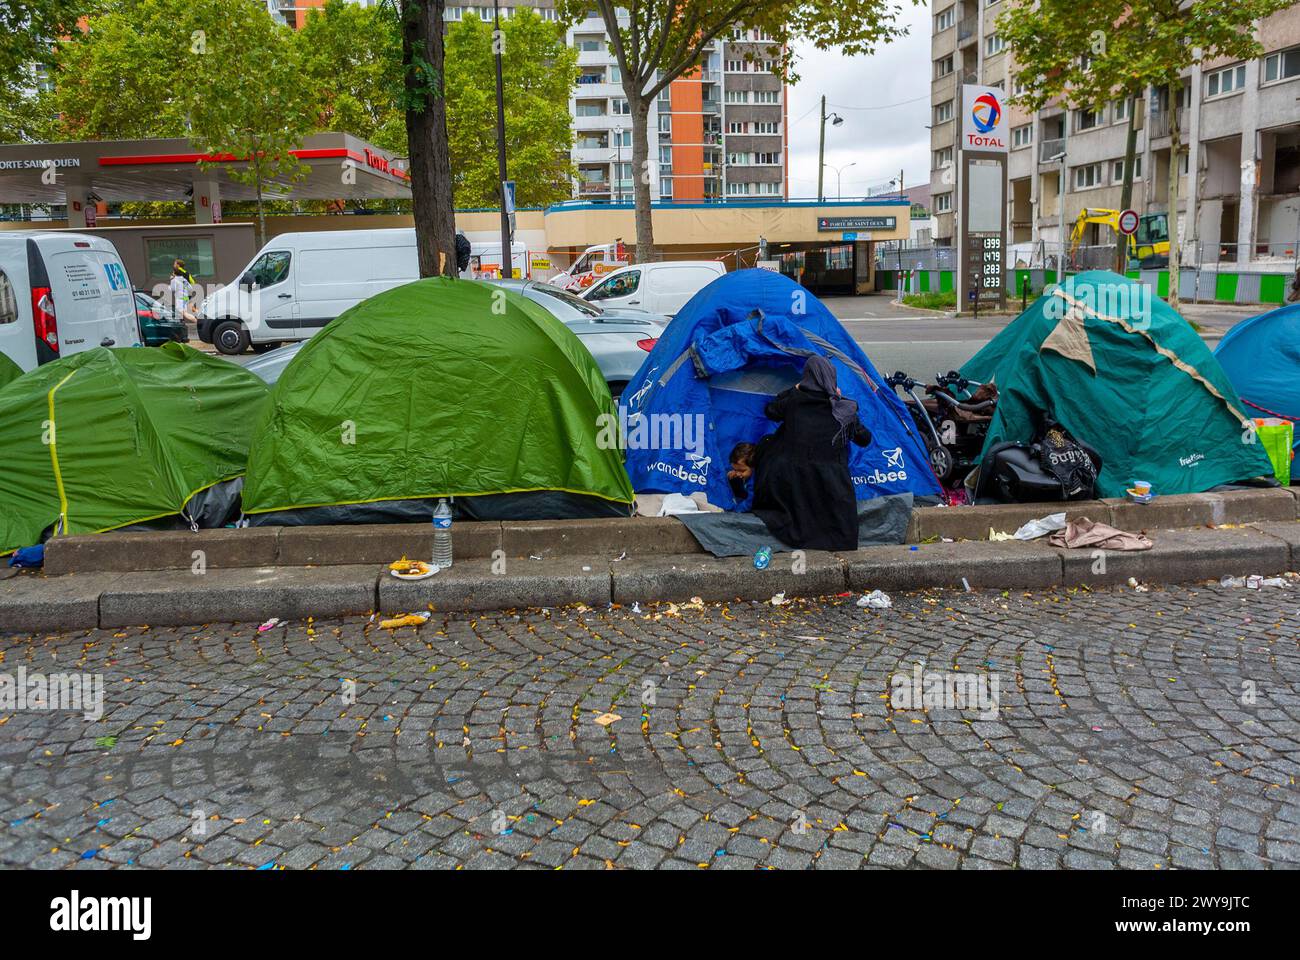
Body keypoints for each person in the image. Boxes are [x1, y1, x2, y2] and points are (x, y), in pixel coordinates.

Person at [751, 354, 872, 551]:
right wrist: (840, 402)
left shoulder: (795, 400)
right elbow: (865, 439)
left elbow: (771, 410)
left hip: (792, 479)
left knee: (768, 443)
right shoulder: (844, 407)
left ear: (806, 376)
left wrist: (795, 389)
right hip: (833, 482)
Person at [170, 259, 199, 324]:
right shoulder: (187, 273)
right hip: (187, 294)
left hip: (182, 296)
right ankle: (201, 315)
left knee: (183, 311)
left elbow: (173, 288)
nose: (173, 265)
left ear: (178, 265)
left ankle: (194, 321)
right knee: (192, 309)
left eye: (175, 263)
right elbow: (193, 283)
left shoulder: (177, 272)